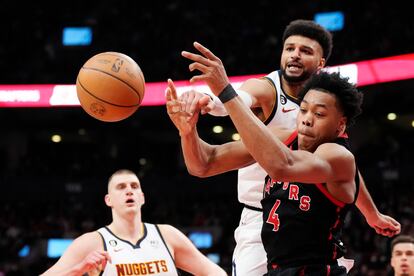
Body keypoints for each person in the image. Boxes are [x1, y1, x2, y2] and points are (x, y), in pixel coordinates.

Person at [172, 19, 400, 275]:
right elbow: (205, 162)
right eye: (289, 48)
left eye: (305, 51)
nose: (307, 118)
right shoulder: (268, 92)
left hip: (312, 251)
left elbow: (296, 167)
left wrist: (371, 213)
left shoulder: (334, 146)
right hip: (262, 220)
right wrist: (189, 128)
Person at [41, 169, 227, 276]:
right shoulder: (92, 242)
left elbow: (215, 273)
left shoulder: (167, 235)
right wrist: (78, 270)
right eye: (121, 187)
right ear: (108, 200)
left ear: (142, 197)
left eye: (134, 186)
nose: (129, 191)